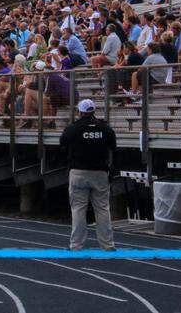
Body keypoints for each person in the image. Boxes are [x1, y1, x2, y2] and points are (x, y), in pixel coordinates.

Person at [59, 99, 116, 251]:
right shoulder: (105, 128)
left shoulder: (73, 128)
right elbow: (113, 147)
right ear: (94, 111)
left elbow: (62, 143)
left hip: (78, 171)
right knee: (102, 209)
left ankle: (76, 245)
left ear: (80, 112)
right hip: (100, 171)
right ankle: (108, 244)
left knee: (78, 209)